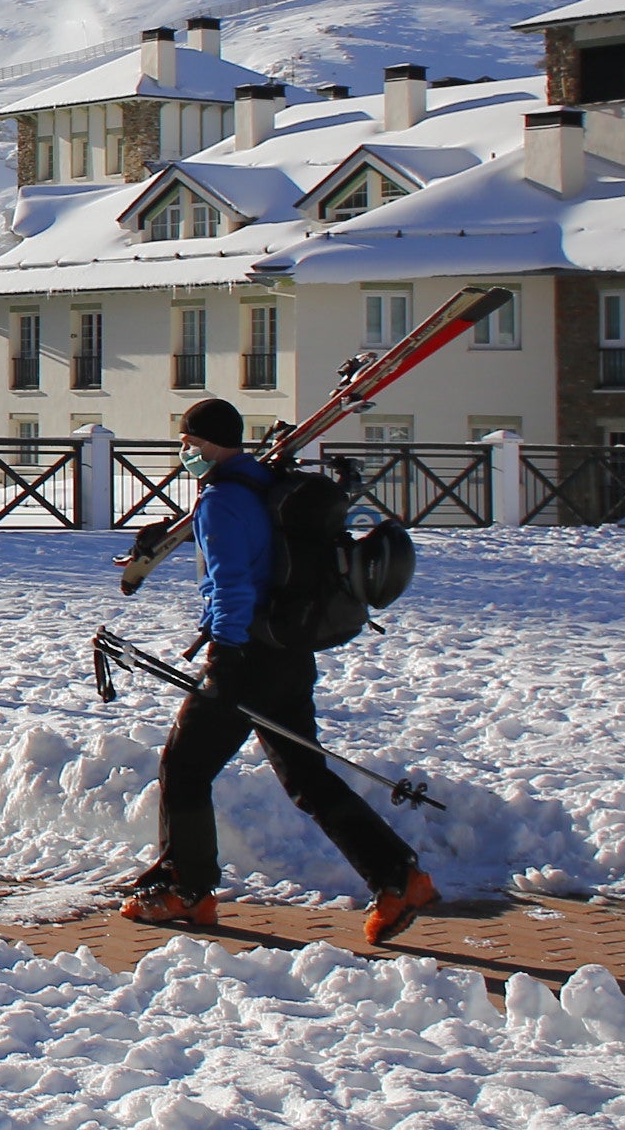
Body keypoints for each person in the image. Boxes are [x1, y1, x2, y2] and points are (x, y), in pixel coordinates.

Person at [123, 396, 441, 949]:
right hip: (289, 649)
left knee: (185, 766)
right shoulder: (266, 485)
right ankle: (399, 877)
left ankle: (187, 888)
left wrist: (225, 649)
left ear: (204, 444)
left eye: (188, 444)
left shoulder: (223, 501)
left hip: (246, 654)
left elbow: (231, 583)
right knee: (307, 776)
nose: (183, 453)